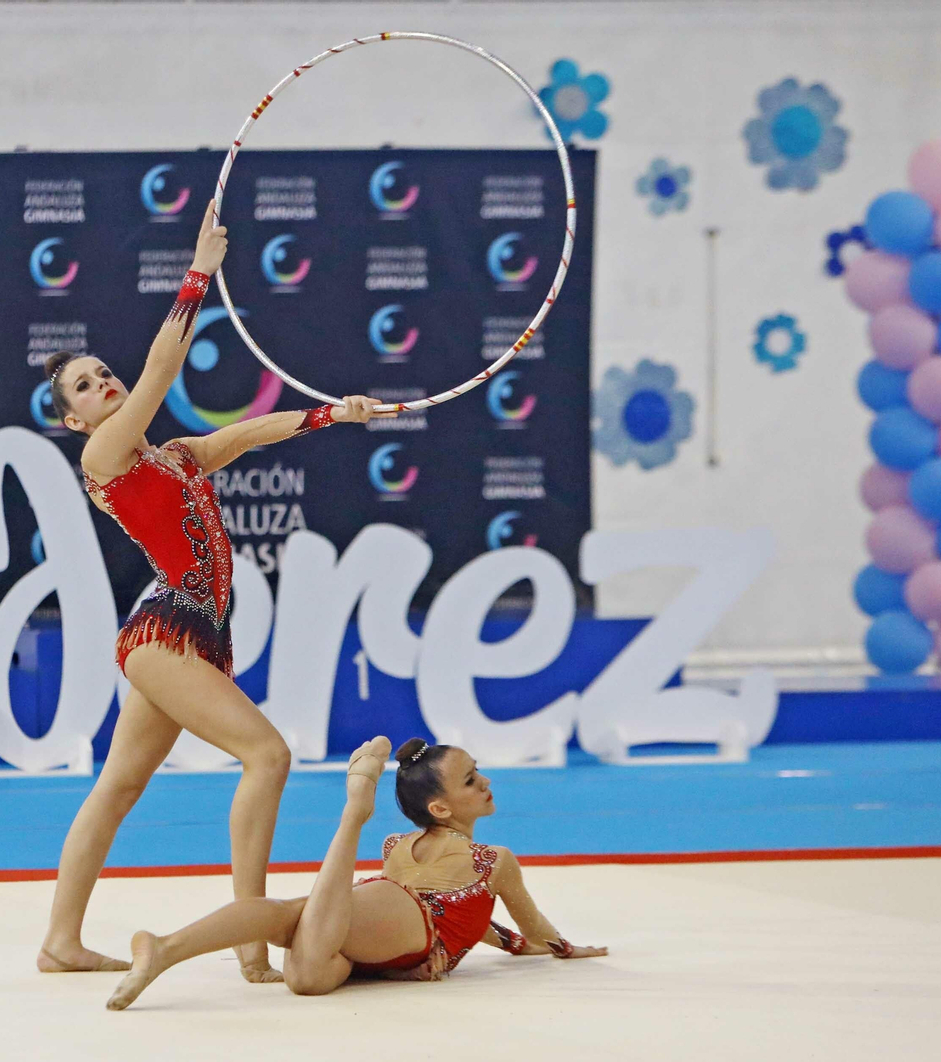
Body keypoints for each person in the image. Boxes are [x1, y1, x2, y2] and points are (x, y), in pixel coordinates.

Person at [38, 200, 398, 982]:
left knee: (119, 785)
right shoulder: (105, 455)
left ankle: (59, 941)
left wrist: (334, 414)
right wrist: (200, 270)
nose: (104, 384)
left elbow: (243, 434)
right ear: (73, 420)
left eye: (104, 374)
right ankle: (245, 936)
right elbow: (163, 369)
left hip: (196, 635)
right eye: (86, 386)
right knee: (267, 756)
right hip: (164, 633)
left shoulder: (171, 456)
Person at [106, 737, 607, 1009]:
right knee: (297, 915)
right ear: (439, 808)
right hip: (405, 921)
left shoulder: (399, 846)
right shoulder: (494, 860)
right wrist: (564, 947)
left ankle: (165, 945)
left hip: (375, 935)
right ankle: (352, 813)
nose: (486, 783)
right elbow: (531, 925)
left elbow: (480, 922)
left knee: (305, 973)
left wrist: (513, 944)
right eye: (472, 779)